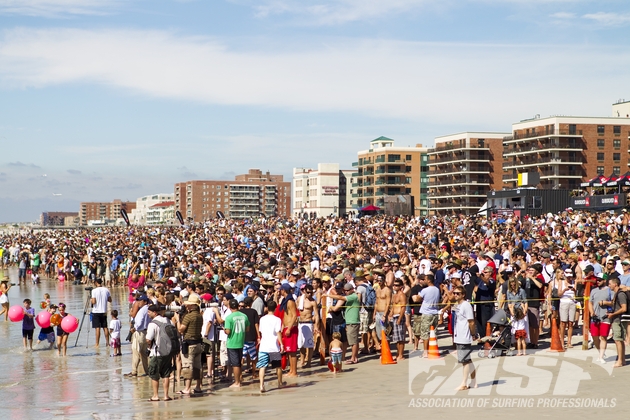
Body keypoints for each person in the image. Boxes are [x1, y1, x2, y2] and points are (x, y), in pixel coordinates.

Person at [177, 293, 204, 394]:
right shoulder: (199, 316)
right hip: (198, 343)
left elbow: (181, 330)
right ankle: (198, 387)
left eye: (188, 304)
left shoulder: (188, 316)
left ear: (192, 305)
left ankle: (187, 388)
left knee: (188, 366)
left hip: (189, 344)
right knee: (197, 366)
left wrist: (178, 320)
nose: (186, 305)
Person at [146, 304, 173, 402]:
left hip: (156, 352)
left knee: (154, 374)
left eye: (149, 312)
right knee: (166, 374)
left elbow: (148, 339)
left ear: (154, 312)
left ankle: (155, 395)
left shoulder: (152, 324)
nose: (148, 314)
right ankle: (166, 395)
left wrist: (148, 347)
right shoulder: (168, 320)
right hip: (168, 351)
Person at [452, 286, 477, 391]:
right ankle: (474, 381)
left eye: (458, 293)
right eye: (454, 293)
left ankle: (464, 383)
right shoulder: (457, 305)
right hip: (459, 335)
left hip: (464, 336)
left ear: (463, 294)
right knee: (468, 360)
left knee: (465, 361)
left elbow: (471, 321)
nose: (455, 295)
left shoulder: (466, 305)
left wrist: (473, 334)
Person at [256, 301, 284, 393]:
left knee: (262, 367)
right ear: (275, 308)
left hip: (263, 347)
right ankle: (280, 383)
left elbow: (261, 331)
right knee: (278, 367)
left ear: (267, 308)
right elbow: (278, 332)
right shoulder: (277, 319)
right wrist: (281, 344)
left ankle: (261, 385)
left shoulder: (262, 319)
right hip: (274, 347)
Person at [224, 298, 250, 388]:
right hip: (241, 341)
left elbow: (228, 331)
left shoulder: (229, 318)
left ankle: (237, 382)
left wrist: (224, 329)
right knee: (239, 362)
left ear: (229, 307)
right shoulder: (244, 316)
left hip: (232, 342)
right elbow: (247, 329)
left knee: (235, 363)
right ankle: (239, 379)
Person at [413, 274, 440, 358]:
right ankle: (433, 348)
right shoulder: (437, 289)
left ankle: (425, 351)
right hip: (435, 313)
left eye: (425, 279)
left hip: (427, 313)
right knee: (434, 332)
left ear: (429, 280)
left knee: (425, 333)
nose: (424, 281)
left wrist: (417, 296)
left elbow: (417, 299)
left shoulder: (425, 290)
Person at [601, 278, 627, 368]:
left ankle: (620, 361)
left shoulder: (620, 294)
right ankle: (622, 360)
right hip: (617, 319)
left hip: (618, 319)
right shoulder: (617, 294)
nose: (609, 285)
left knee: (618, 340)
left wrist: (613, 314)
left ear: (615, 284)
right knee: (619, 340)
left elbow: (624, 308)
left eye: (610, 284)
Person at [277, 283, 299, 378]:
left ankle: (294, 372)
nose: (279, 291)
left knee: (292, 351)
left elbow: (294, 315)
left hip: (291, 328)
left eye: (280, 289)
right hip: (286, 327)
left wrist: (289, 328)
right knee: (289, 351)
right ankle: (291, 370)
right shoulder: (285, 301)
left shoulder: (290, 301)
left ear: (283, 290)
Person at [125, 295, 150, 378]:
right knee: (143, 353)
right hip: (146, 332)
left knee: (136, 351)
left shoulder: (142, 310)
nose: (138, 302)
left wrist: (134, 329)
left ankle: (134, 371)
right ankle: (147, 370)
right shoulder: (148, 309)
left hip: (139, 332)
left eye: (140, 301)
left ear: (145, 302)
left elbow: (139, 322)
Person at [240, 297, 260, 380]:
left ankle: (240, 375)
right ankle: (254, 373)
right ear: (251, 303)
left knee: (242, 357)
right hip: (251, 336)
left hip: (242, 337)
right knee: (253, 357)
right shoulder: (254, 312)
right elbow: (256, 324)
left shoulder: (240, 312)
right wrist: (258, 335)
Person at [91, 278, 112, 348]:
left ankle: (97, 344)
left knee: (97, 328)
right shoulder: (106, 290)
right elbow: (110, 300)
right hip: (104, 311)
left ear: (96, 283)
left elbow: (94, 302)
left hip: (96, 311)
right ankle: (108, 343)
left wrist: (91, 300)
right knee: (105, 327)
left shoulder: (94, 291)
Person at [390, 279, 407, 361]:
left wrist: (400, 318)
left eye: (396, 285)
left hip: (400, 316)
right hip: (394, 316)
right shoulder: (394, 295)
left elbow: (403, 308)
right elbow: (393, 306)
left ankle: (401, 355)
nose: (394, 286)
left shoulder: (402, 295)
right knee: (396, 338)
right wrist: (390, 314)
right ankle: (398, 354)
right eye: (394, 285)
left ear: (401, 287)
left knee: (401, 338)